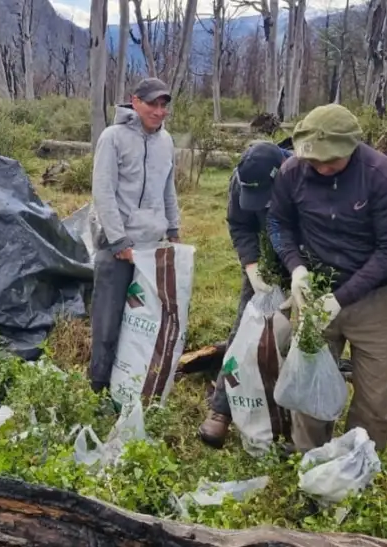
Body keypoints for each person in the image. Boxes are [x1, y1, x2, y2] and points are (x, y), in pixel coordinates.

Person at [267, 103, 387, 453]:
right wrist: (296, 268)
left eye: (329, 160)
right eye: (312, 160)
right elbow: (279, 223)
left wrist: (342, 298)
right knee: (308, 383)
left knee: (374, 397)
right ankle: (310, 457)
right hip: (315, 294)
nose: (320, 166)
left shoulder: (384, 177)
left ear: (351, 147)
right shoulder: (291, 171)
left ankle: (355, 464)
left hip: (374, 301)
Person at [88, 77, 181, 395]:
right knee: (107, 319)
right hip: (118, 246)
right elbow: (103, 190)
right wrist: (118, 240)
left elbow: (168, 187)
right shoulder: (113, 138)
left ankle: (135, 383)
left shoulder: (166, 141)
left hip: (152, 245)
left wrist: (173, 228)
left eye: (163, 105)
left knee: (146, 318)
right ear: (135, 102)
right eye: (152, 103)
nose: (159, 111)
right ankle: (98, 386)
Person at [198, 141, 293, 448]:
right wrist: (252, 265)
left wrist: (303, 274)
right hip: (263, 261)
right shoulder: (241, 179)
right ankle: (222, 409)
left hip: (305, 259)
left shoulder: (302, 175)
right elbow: (239, 223)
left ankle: (288, 417)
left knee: (298, 340)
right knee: (244, 330)